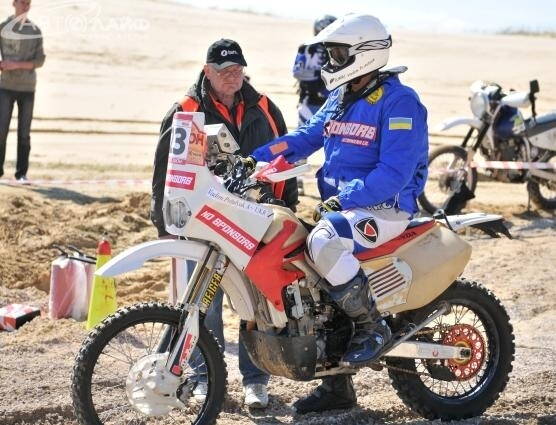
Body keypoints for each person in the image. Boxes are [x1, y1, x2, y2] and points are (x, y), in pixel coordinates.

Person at [250, 14, 429, 414]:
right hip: (344, 208)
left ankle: (373, 327)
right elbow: (304, 138)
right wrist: (254, 158)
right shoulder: (343, 96)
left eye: (337, 54)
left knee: (323, 243)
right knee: (307, 275)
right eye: (330, 53)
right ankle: (336, 386)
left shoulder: (400, 102)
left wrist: (346, 198)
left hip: (384, 208)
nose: (330, 62)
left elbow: (394, 173)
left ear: (365, 54)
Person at [150, 38, 298, 409]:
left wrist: (288, 206)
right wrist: (163, 220)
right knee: (204, 304)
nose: (232, 76)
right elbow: (164, 171)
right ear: (207, 71)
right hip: (203, 222)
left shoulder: (264, 107)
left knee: (258, 303)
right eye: (223, 70)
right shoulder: (186, 110)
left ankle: (256, 381)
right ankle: (205, 378)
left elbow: (286, 157)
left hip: (257, 221)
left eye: (237, 69)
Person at [0, 0, 45, 183]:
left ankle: (21, 174)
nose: (25, 6)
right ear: (14, 3)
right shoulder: (3, 28)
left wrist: (16, 64)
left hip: (27, 88)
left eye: (28, 3)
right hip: (5, 87)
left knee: (24, 134)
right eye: (23, 2)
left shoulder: (35, 31)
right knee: (1, 131)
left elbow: (40, 61)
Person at [292, 15, 336, 126]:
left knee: (329, 135)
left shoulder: (339, 48)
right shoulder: (306, 47)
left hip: (332, 103)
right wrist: (321, 74)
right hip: (309, 101)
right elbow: (297, 71)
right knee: (305, 133)